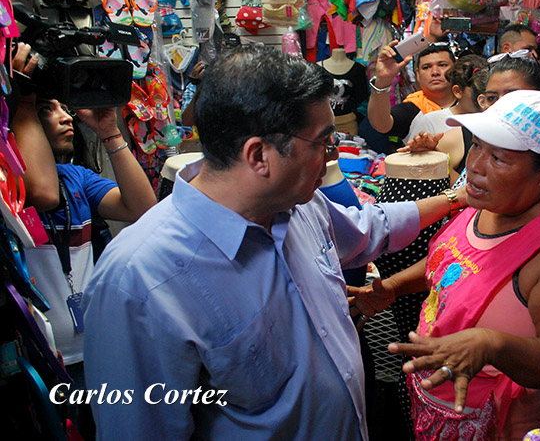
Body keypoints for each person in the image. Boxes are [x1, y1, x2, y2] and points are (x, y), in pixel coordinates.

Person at [81, 45, 466, 441]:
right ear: (259, 156)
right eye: (323, 143)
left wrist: (458, 198)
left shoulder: (297, 204)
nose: (330, 156)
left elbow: (370, 229)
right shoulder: (140, 282)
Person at [350, 90, 540, 440]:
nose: (475, 166)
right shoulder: (497, 199)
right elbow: (455, 262)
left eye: (499, 158)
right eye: (476, 146)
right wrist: (395, 287)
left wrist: (492, 344)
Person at [11, 42, 157, 439]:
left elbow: (142, 208)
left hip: (97, 352)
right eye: (48, 110)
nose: (64, 118)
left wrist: (110, 131)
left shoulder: (75, 178)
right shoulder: (13, 187)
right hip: (43, 360)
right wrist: (24, 101)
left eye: (64, 107)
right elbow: (42, 192)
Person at [404, 54, 540, 212]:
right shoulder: (474, 137)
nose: (502, 106)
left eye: (514, 96)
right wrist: (433, 159)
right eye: (492, 98)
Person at [367, 43, 456, 150]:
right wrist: (383, 80)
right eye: (426, 67)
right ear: (417, 74)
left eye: (442, 65)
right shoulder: (412, 108)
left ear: (455, 69)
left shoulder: (469, 101)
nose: (435, 72)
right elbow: (381, 125)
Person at [403, 54, 489, 145]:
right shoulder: (431, 122)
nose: (484, 100)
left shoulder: (496, 119)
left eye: (492, 95)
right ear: (458, 91)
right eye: (477, 91)